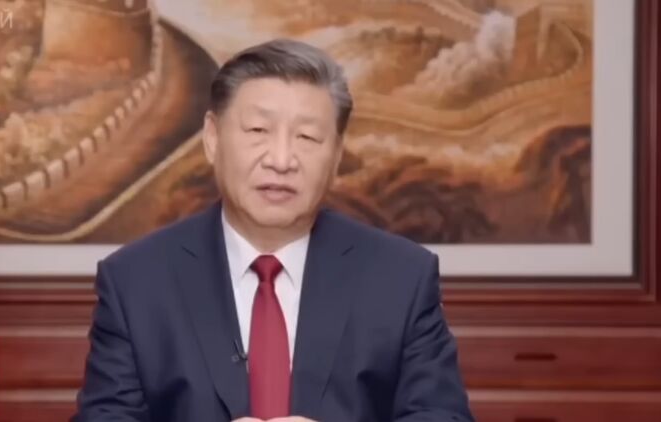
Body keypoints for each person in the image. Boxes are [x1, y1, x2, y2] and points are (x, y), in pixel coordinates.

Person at [73, 38, 474, 422]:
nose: (281, 160)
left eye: (307, 137)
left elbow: (443, 416)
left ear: (337, 154)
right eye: (257, 131)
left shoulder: (400, 278)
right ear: (212, 138)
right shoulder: (136, 280)